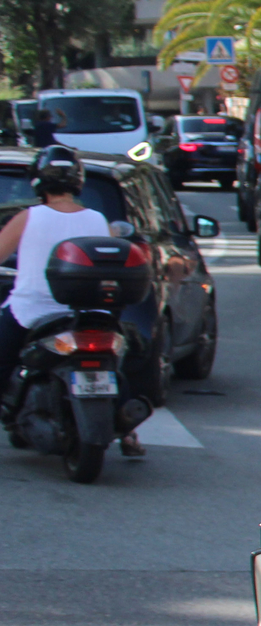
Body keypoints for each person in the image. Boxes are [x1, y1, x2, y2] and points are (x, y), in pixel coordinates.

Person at [0, 147, 141, 455]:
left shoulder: (28, 217)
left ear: (38, 181)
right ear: (78, 181)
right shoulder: (97, 219)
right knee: (115, 365)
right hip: (90, 314)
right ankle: (129, 433)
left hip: (32, 311)